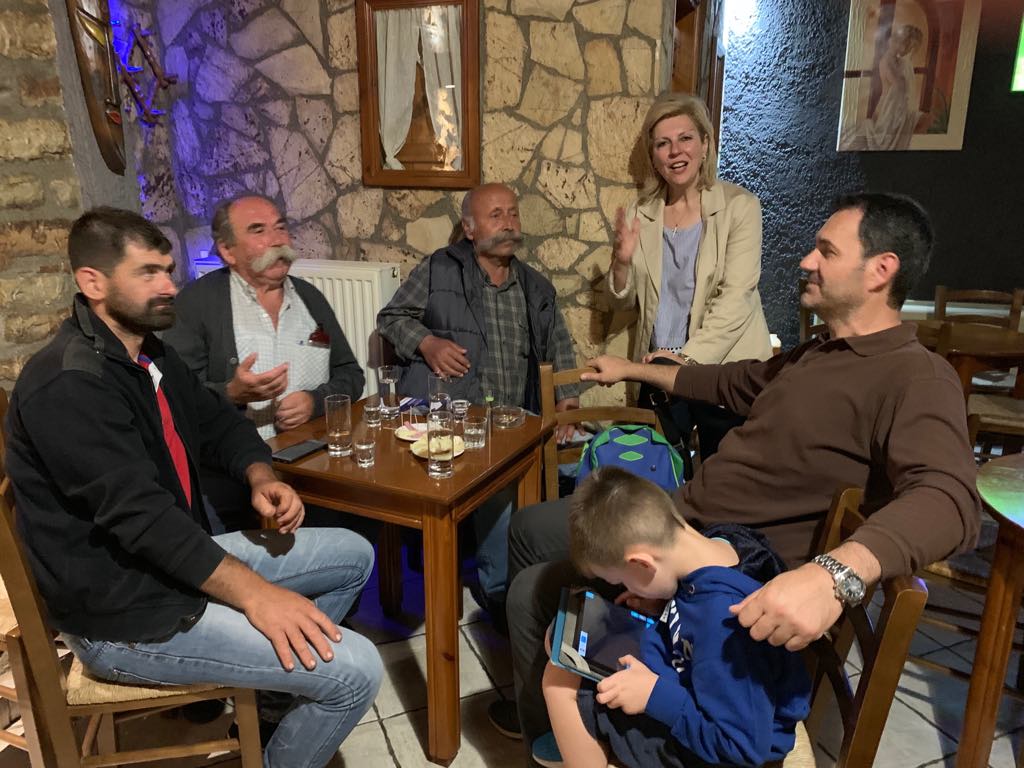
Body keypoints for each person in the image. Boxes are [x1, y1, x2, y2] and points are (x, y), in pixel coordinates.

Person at [493, 192, 982, 756]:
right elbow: (721, 382)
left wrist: (834, 575)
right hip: (684, 520)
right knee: (529, 528)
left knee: (532, 593)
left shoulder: (915, 377)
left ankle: (561, 734)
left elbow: (951, 500)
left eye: (826, 251)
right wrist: (631, 369)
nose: (806, 260)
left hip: (719, 571)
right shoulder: (814, 354)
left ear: (881, 270)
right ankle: (542, 701)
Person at [4, 207, 382, 766]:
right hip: (125, 615)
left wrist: (259, 474)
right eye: (148, 273)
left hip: (172, 567)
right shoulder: (69, 385)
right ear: (93, 283)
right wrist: (258, 596)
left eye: (168, 270)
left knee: (354, 553)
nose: (168, 286)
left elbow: (218, 421)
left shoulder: (146, 352)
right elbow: (144, 521)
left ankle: (275, 701)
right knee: (358, 670)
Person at [377, 182, 580, 618]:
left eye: (513, 213)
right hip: (454, 422)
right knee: (491, 479)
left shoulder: (536, 288)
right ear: (469, 229)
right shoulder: (439, 269)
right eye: (496, 215)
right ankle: (494, 594)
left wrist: (567, 406)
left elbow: (560, 347)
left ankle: (552, 584)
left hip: (515, 423)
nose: (508, 223)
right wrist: (428, 343)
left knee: (586, 462)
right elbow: (391, 318)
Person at [539, 468, 810, 768]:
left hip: (711, 744)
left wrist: (653, 696)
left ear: (642, 564)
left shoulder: (723, 624)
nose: (627, 589)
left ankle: (580, 747)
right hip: (686, 676)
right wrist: (661, 605)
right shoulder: (721, 542)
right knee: (562, 639)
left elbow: (742, 747)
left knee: (559, 681)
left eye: (623, 580)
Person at [163, 194, 364, 532]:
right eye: (258, 230)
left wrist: (314, 401)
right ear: (227, 251)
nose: (277, 240)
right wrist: (231, 393)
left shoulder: (310, 298)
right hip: (233, 479)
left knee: (363, 529)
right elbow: (174, 397)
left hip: (312, 468)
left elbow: (351, 374)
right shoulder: (196, 305)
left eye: (281, 228)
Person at [607, 92, 771, 459]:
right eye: (662, 144)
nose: (675, 152)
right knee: (660, 476)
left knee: (722, 477)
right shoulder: (641, 212)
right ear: (653, 155)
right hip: (658, 371)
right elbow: (622, 302)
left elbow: (737, 298)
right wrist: (621, 262)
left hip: (723, 370)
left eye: (685, 138)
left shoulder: (740, 207)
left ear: (705, 143)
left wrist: (686, 360)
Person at [840, 25, 925, 151]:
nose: (905, 49)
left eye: (907, 46)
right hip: (890, 109)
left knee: (923, 120)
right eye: (904, 44)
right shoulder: (886, 61)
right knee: (880, 135)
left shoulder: (901, 62)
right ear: (893, 42)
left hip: (897, 107)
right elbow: (897, 86)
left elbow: (904, 90)